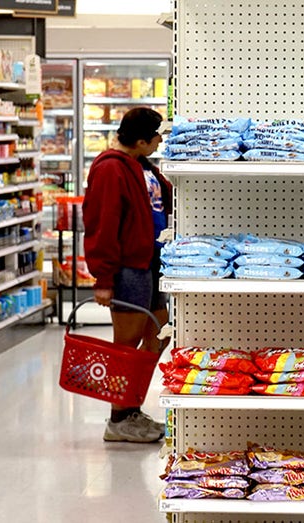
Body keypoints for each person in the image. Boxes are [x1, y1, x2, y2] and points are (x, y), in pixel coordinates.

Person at [83, 107, 173, 442]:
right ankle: (118, 419)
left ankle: (132, 407)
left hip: (153, 261)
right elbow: (102, 225)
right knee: (126, 345)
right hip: (128, 268)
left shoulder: (142, 165)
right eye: (157, 137)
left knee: (159, 334)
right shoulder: (110, 168)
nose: (160, 141)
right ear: (141, 140)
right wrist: (104, 279)